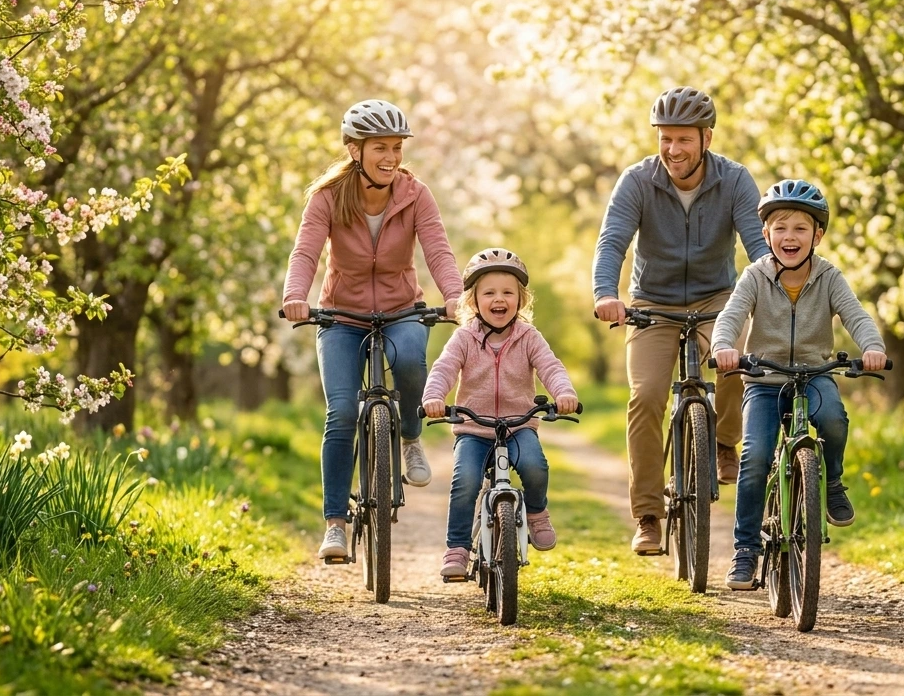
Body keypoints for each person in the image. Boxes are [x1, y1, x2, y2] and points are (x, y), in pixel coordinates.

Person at [282, 99, 465, 560]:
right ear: (354, 150)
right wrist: (295, 297)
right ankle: (335, 524)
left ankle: (410, 435)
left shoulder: (415, 194)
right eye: (380, 147)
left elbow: (438, 250)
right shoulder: (328, 197)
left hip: (403, 308)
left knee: (409, 362)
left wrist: (456, 296)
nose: (390, 157)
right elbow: (305, 252)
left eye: (397, 147)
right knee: (341, 412)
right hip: (340, 316)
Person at [592, 86, 770, 555]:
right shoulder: (637, 181)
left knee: (738, 358)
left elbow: (758, 244)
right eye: (665, 139)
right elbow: (613, 242)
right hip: (652, 304)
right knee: (646, 396)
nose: (672, 150)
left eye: (683, 140)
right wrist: (606, 293)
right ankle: (648, 515)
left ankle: (726, 442)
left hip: (718, 298)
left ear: (706, 138)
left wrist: (774, 291)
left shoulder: (734, 180)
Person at [709, 179, 888, 589]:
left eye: (801, 228)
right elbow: (732, 315)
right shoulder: (755, 276)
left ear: (817, 235)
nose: (790, 236)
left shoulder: (829, 277)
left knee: (833, 419)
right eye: (781, 228)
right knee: (754, 458)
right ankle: (745, 551)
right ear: (767, 234)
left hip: (814, 375)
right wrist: (723, 346)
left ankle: (833, 481)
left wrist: (872, 346)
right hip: (764, 379)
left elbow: (855, 315)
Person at [422, 248, 579, 579]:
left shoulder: (528, 337)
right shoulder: (464, 337)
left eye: (508, 292)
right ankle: (458, 548)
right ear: (474, 301)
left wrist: (563, 393)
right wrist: (434, 396)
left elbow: (551, 367)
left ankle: (536, 513)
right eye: (489, 292)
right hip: (473, 429)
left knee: (535, 466)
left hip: (518, 426)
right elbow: (444, 368)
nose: (499, 299)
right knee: (465, 481)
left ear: (520, 300)